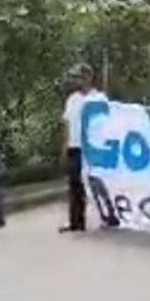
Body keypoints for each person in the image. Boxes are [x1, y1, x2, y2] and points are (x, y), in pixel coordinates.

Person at [60, 64, 108, 233]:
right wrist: (65, 146)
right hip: (75, 147)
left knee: (96, 185)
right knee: (75, 185)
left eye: (79, 77)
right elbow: (67, 124)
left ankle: (107, 217)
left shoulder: (99, 98)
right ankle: (76, 222)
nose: (77, 81)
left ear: (88, 77)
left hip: (93, 149)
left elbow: (106, 123)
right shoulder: (72, 99)